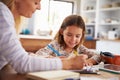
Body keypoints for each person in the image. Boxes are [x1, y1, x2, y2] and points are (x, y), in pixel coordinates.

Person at [0, 0, 86, 74]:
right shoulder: (2, 13)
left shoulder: (7, 16)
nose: (39, 7)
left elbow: (19, 57)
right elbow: (21, 63)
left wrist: (52, 60)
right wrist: (67, 63)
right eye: (36, 2)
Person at [36, 15, 101, 66]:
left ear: (82, 35)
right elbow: (38, 55)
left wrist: (89, 61)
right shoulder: (55, 45)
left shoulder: (79, 48)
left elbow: (98, 56)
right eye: (69, 35)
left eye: (77, 36)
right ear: (62, 32)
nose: (73, 39)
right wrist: (54, 59)